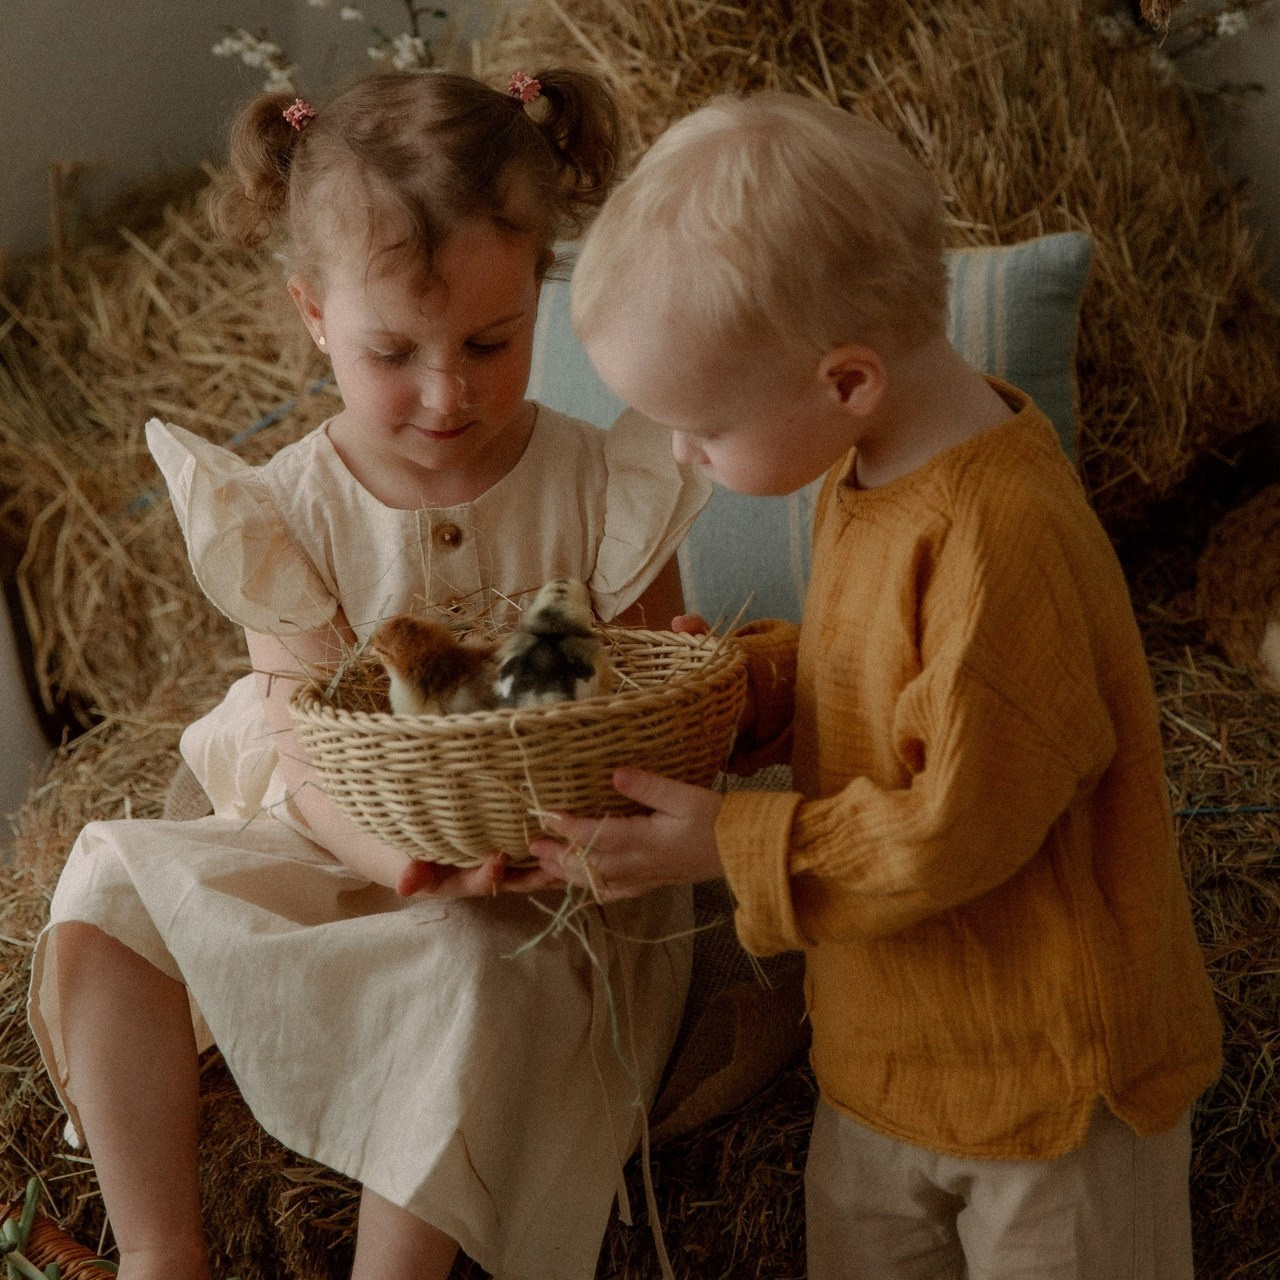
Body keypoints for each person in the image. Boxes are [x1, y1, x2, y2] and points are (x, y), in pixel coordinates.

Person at [27, 68, 710, 1280]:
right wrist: (391, 860)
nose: (447, 393)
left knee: (463, 964)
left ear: (537, 308)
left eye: (490, 343)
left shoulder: (598, 486)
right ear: (312, 316)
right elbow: (298, 734)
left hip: (537, 874)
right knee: (106, 886)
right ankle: (159, 1253)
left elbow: (644, 688)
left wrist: (677, 698)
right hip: (339, 837)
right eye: (393, 351)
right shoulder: (289, 508)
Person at [532, 91, 1223, 1280]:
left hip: (1048, 1089)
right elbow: (874, 663)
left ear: (844, 378)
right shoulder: (864, 469)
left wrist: (728, 846)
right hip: (885, 1064)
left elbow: (954, 820)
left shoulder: (999, 532)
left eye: (699, 428)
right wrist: (749, 687)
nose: (683, 457)